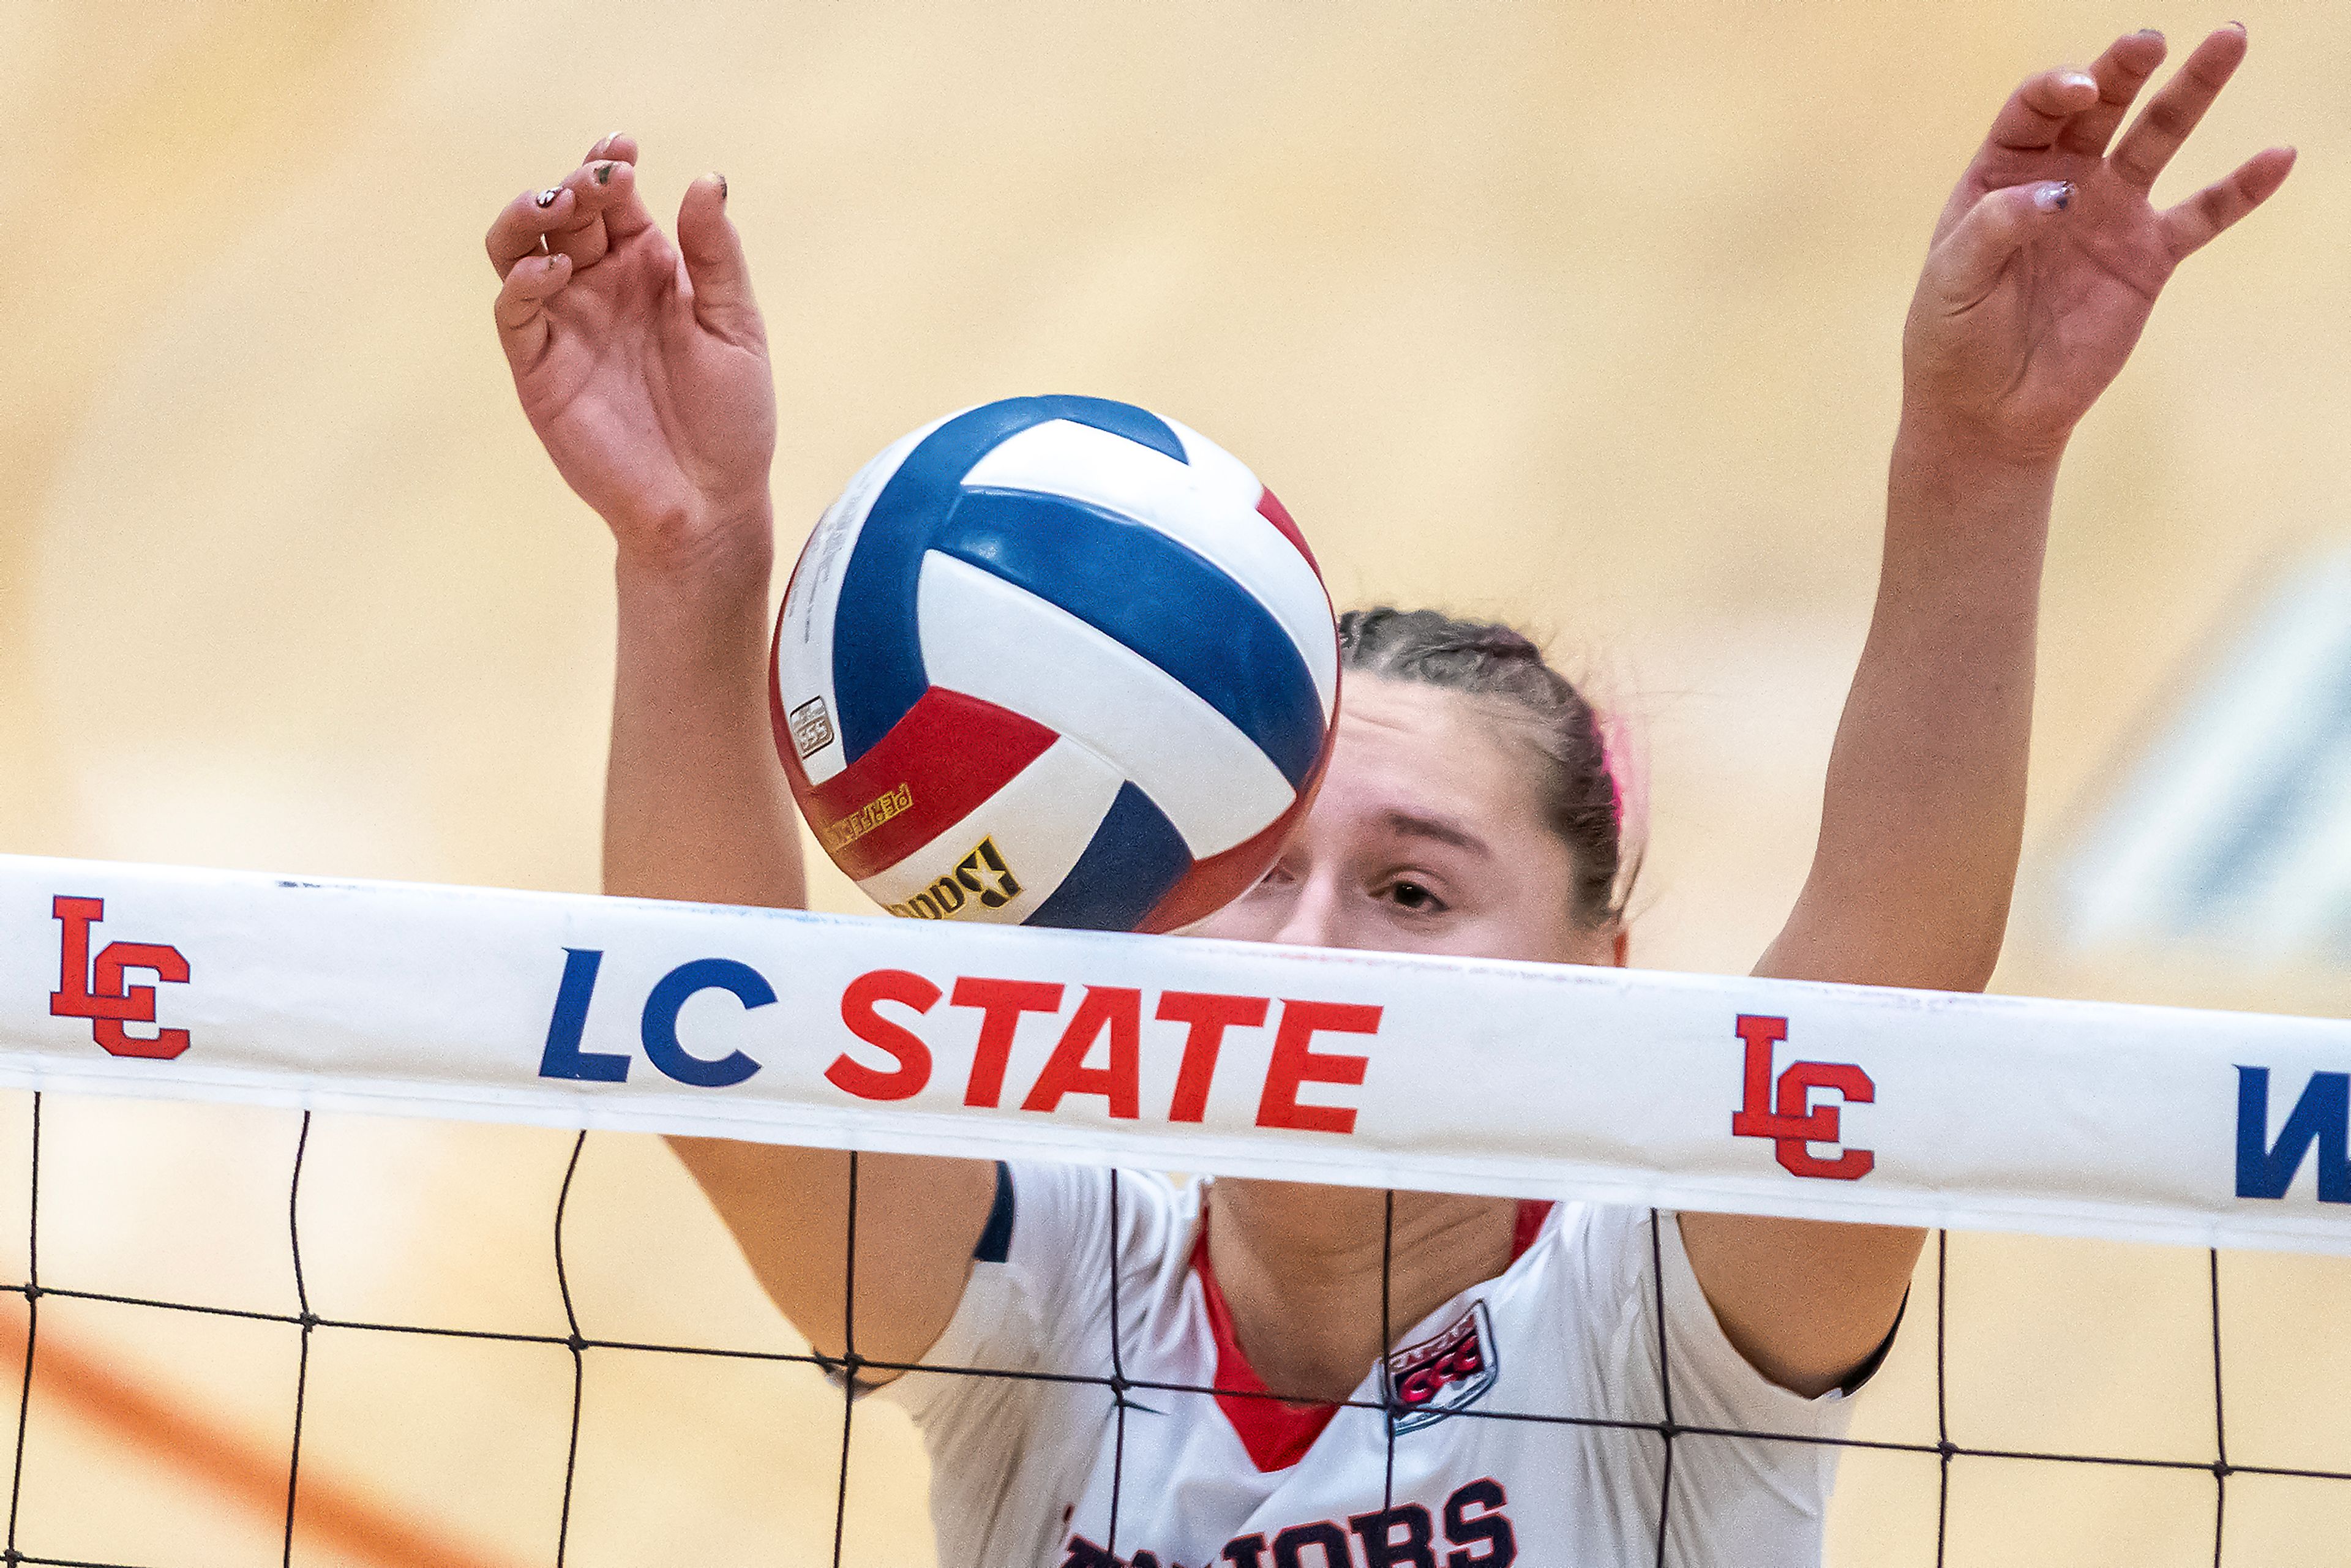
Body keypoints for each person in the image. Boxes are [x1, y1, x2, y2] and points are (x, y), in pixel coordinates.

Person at [486, 26, 2291, 1566]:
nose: (1317, 948)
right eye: (1263, 877)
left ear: (1599, 974)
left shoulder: (1661, 1316)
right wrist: (690, 548)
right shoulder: (1057, 1294)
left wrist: (1981, 457)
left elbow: (1889, 982)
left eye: (1414, 891)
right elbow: (710, 1046)